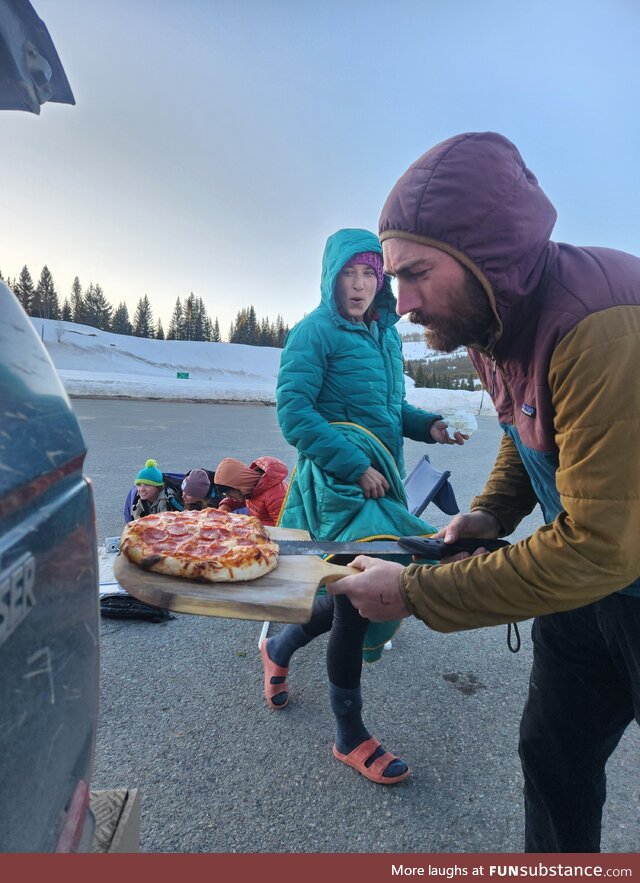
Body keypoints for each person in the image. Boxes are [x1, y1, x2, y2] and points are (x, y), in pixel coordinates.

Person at [329, 133, 640, 849]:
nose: (399, 302)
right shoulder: (489, 317)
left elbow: (598, 547)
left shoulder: (598, 327)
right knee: (554, 756)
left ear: (485, 253)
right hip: (591, 589)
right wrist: (493, 510)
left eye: (414, 274)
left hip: (612, 564)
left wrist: (414, 593)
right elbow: (522, 423)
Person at [264, 227, 466, 785]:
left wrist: (433, 425)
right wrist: (355, 465)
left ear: (382, 279)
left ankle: (280, 645)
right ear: (332, 277)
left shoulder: (384, 335)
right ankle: (349, 735)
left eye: (369, 273)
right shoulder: (314, 334)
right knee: (359, 595)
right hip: (337, 487)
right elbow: (295, 415)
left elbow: (391, 409)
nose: (359, 285)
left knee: (354, 592)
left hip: (380, 481)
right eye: (349, 274)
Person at [215, 456, 288, 526]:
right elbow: (239, 499)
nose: (228, 497)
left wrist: (250, 524)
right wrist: (225, 506)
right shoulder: (249, 487)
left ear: (238, 484)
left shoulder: (276, 496)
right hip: (262, 528)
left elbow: (283, 528)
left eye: (228, 492)